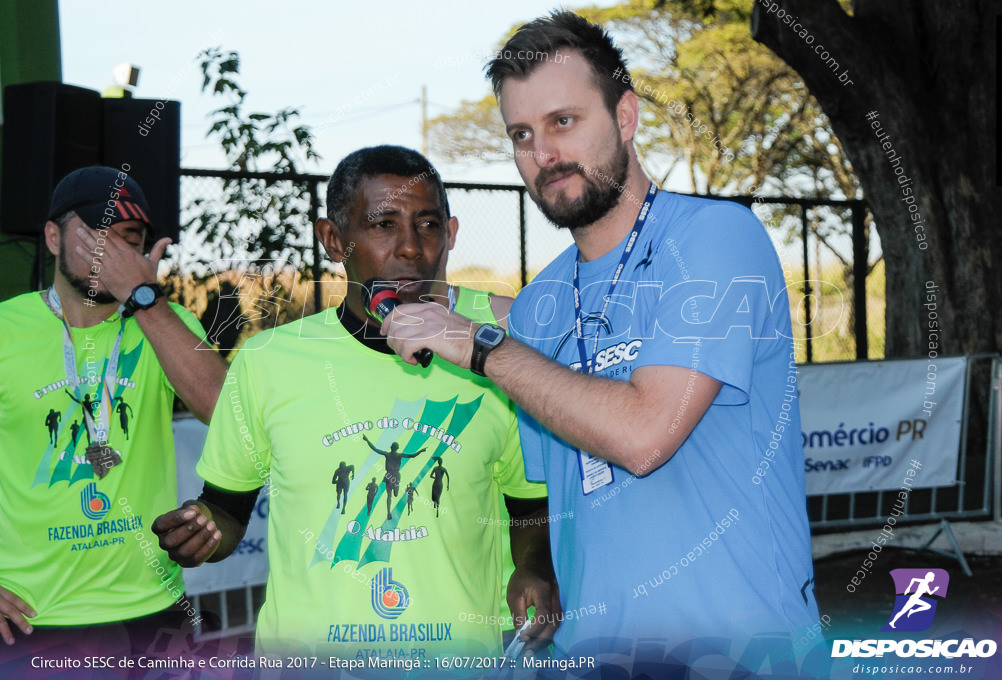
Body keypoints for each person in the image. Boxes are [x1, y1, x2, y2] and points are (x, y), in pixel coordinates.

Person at [380, 11, 823, 675]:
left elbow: (646, 434)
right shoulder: (544, 300)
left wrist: (479, 343)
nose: (543, 153)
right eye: (522, 134)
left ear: (626, 116)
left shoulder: (713, 238)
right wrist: (426, 299)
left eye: (564, 122)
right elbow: (533, 335)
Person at [152, 146, 559, 660]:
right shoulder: (270, 361)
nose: (411, 247)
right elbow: (227, 508)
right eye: (383, 224)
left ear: (451, 234)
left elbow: (530, 506)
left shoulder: (497, 354)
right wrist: (205, 530)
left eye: (428, 224)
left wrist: (534, 568)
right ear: (334, 240)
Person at [0, 166, 226, 656]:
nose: (116, 255)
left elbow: (224, 409)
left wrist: (143, 298)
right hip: (35, 619)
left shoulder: (163, 322)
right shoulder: (6, 328)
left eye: (129, 240)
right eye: (99, 237)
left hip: (155, 612)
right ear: (54, 237)